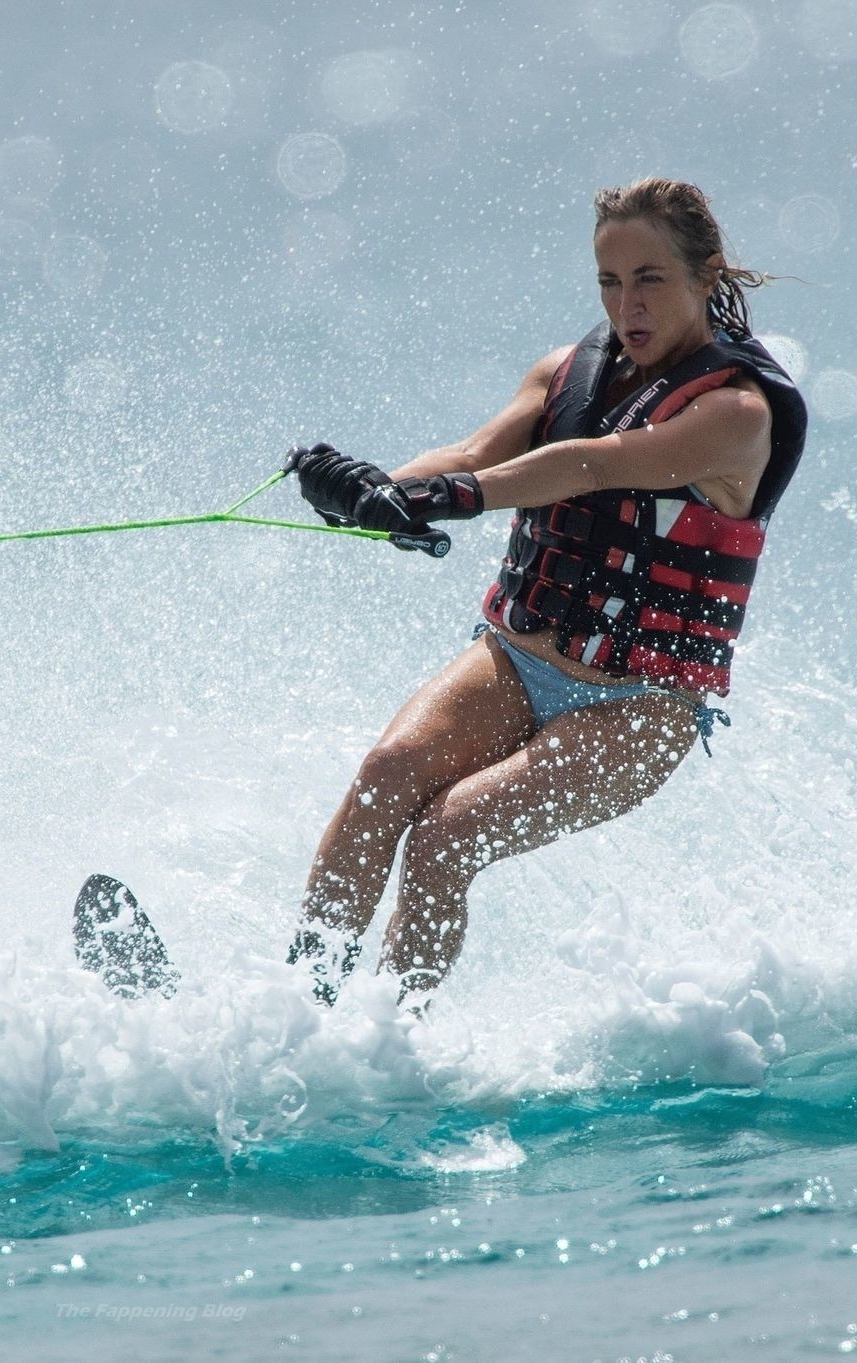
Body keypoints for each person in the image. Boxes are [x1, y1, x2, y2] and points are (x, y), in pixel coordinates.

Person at [281, 176, 810, 1007]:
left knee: (445, 836)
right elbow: (472, 455)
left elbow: (595, 464)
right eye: (609, 281)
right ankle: (297, 1009)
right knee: (387, 775)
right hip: (517, 662)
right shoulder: (566, 373)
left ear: (706, 276)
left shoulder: (737, 415)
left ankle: (389, 1037)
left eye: (650, 279)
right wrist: (373, 491)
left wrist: (451, 498)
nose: (627, 305)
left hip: (640, 709)